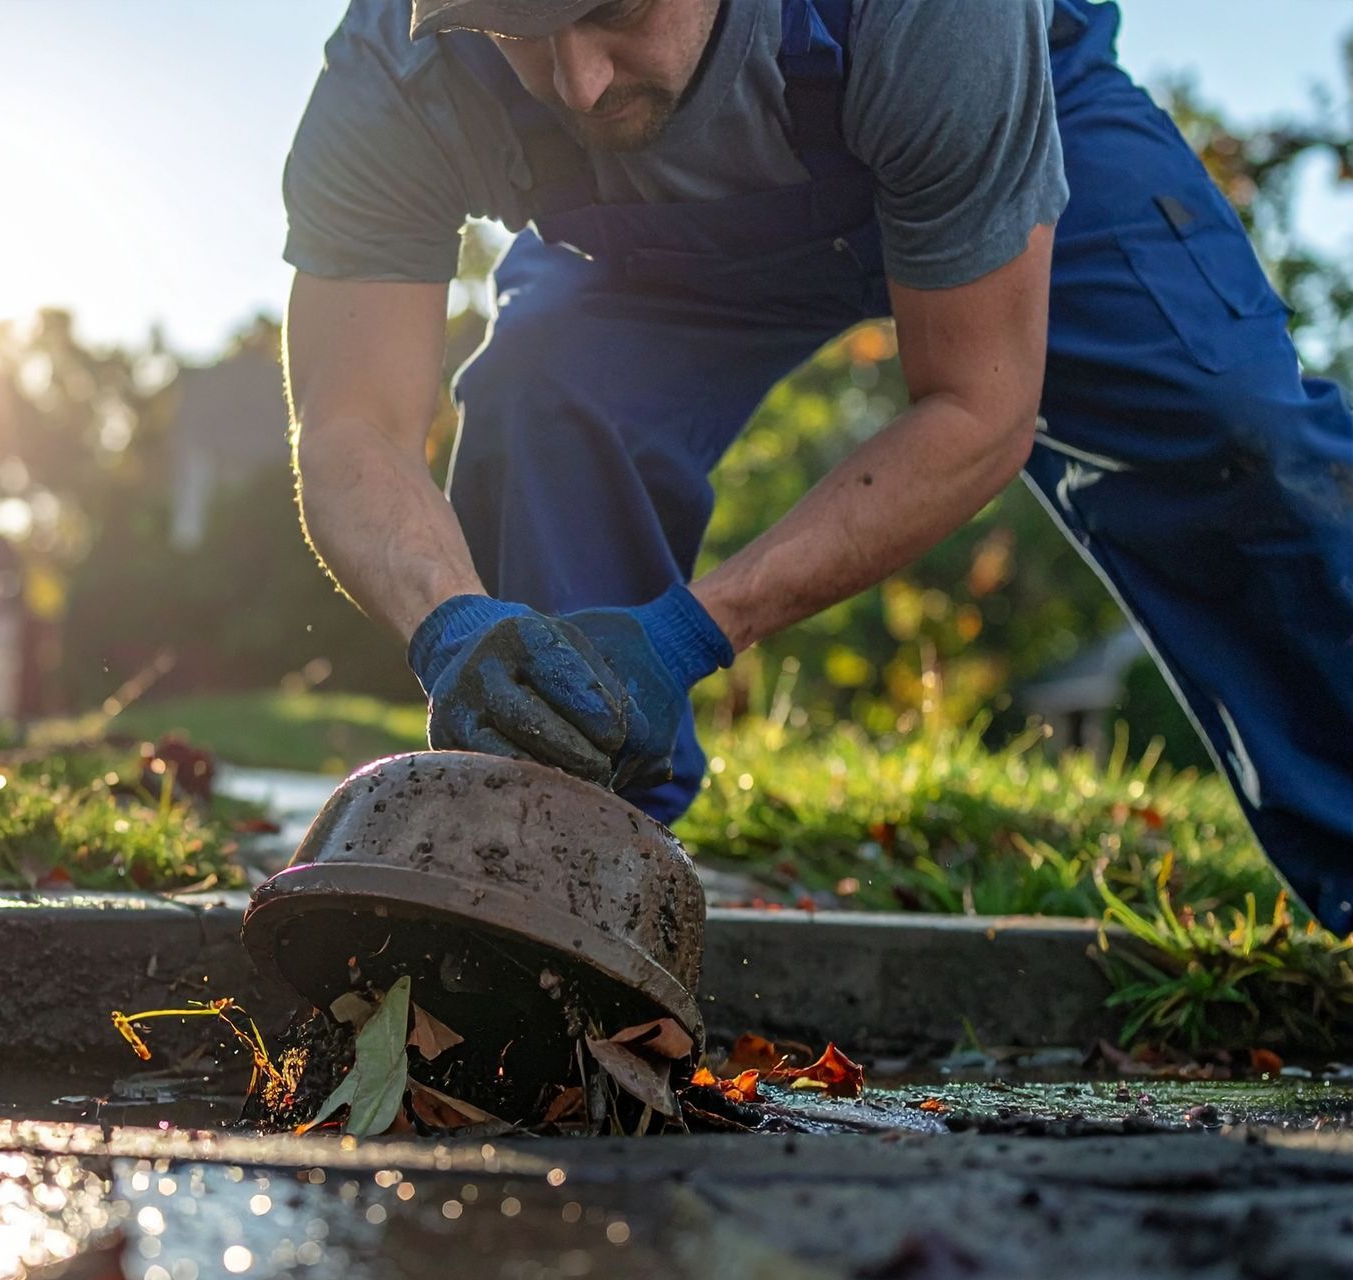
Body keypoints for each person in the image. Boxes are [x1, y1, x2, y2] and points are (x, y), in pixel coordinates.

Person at [280, 0, 1353, 934]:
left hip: (988, 121)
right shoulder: (402, 59)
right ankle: (562, 900)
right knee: (542, 403)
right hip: (660, 249)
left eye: (614, 10)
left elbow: (978, 407)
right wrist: (450, 623)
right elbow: (348, 427)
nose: (580, 81)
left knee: (1236, 437)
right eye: (518, 33)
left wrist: (690, 633)